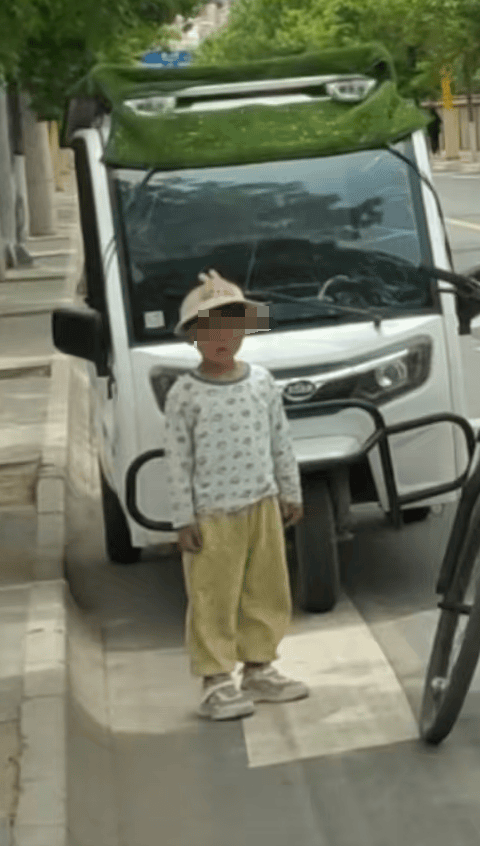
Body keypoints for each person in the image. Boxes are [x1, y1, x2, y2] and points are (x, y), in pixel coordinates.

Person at [164, 270, 309, 720]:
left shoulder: (262, 382)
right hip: (213, 516)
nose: (220, 339)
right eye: (207, 330)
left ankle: (260, 667)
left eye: (230, 328)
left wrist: (291, 491)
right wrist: (183, 519)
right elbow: (177, 461)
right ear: (192, 338)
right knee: (213, 595)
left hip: (261, 505)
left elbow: (279, 441)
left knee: (265, 588)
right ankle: (215, 680)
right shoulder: (184, 394)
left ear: (245, 330)